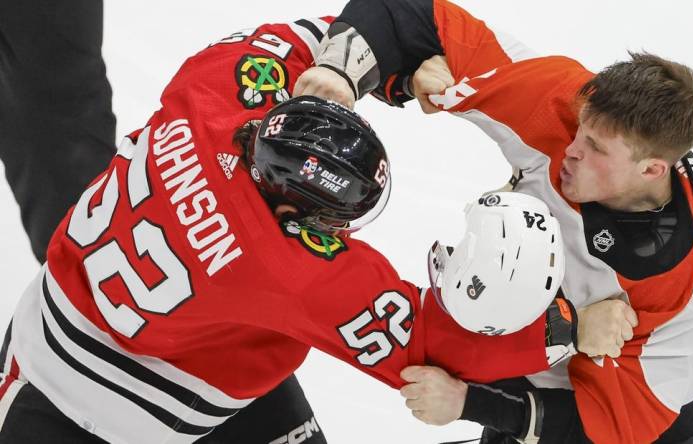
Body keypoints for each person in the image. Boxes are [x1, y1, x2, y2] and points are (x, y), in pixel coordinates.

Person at [0, 15, 633, 444]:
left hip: (68, 325)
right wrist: (571, 331)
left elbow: (297, 39)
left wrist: (342, 72)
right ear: (292, 215)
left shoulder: (221, 83)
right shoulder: (291, 267)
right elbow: (431, 348)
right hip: (87, 414)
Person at [295, 0, 693, 442]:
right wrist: (338, 75)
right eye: (581, 129)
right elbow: (408, 16)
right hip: (541, 361)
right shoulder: (561, 103)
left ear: (653, 170)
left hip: (648, 419)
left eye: (596, 148)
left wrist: (468, 402)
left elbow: (612, 432)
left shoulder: (679, 288)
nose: (571, 150)